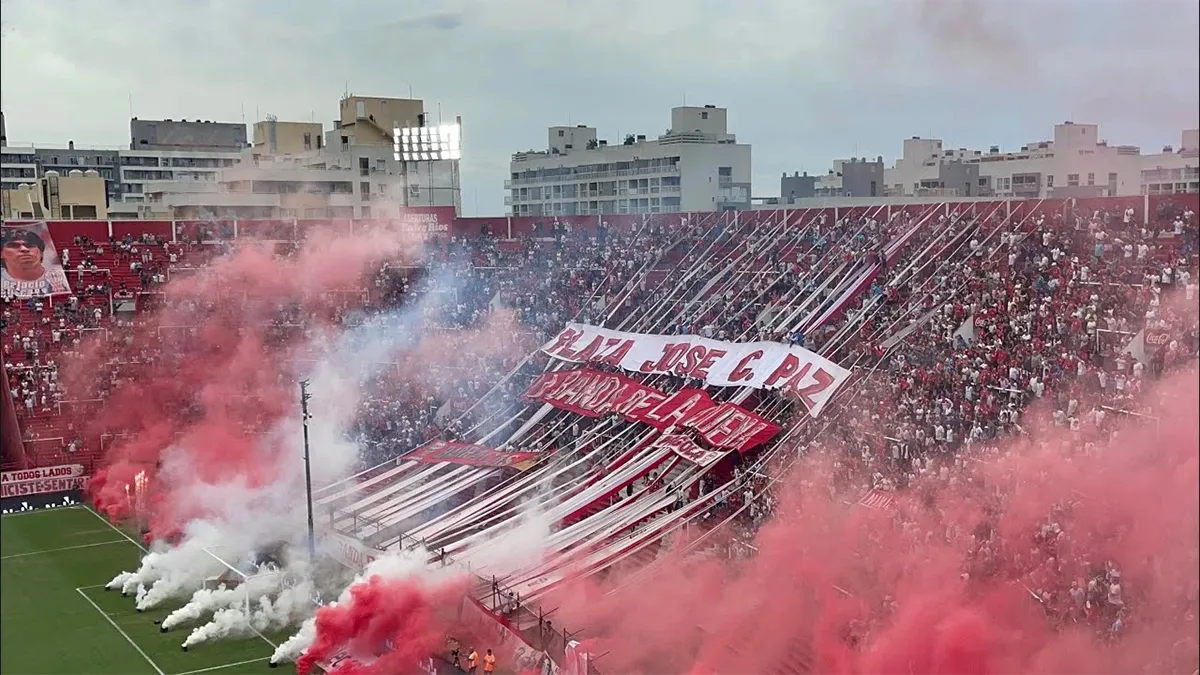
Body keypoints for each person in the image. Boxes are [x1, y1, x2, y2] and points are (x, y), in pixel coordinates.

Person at [1, 227, 71, 297]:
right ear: (1, 253)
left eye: (30, 246)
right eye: (14, 246)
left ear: (41, 253)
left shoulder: (57, 278)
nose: (24, 249)